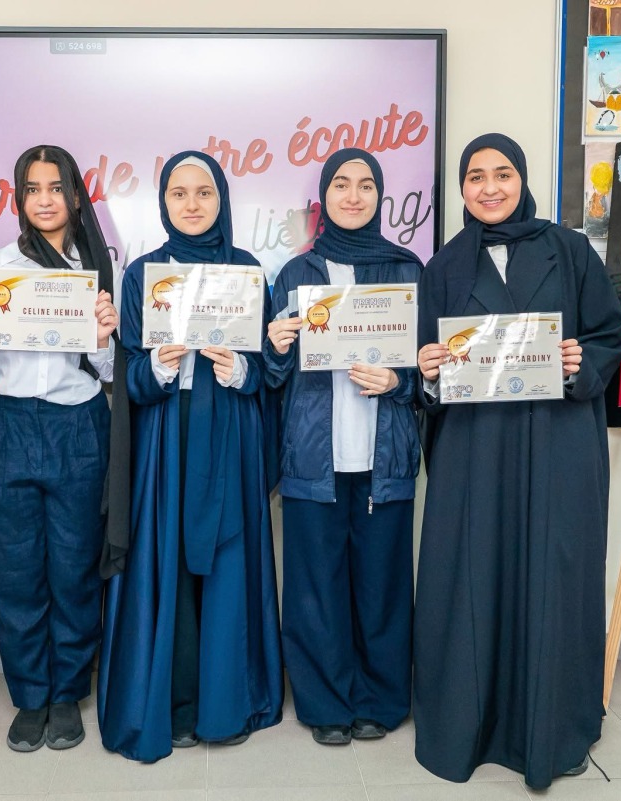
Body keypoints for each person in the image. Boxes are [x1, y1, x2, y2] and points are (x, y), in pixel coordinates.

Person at [412, 133, 621, 790]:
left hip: (556, 444)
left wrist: (579, 362)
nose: (489, 187)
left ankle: (552, 724)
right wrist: (427, 370)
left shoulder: (569, 250)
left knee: (552, 576)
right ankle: (468, 726)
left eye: (501, 174)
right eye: (475, 176)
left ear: (521, 178)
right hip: (474, 454)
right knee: (472, 578)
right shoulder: (443, 265)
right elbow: (427, 361)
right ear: (460, 188)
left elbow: (611, 335)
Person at [97, 151, 282, 762]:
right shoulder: (144, 275)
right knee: (165, 564)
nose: (193, 204)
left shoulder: (248, 269)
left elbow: (269, 366)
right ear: (164, 203)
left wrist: (241, 371)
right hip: (165, 442)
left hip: (228, 435)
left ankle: (224, 704)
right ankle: (171, 704)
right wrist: (155, 365)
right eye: (179, 193)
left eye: (204, 192)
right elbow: (127, 375)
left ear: (222, 198)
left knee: (227, 563)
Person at [0, 145, 121, 753]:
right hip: (5, 424)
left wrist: (106, 333)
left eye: (56, 187)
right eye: (33, 189)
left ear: (76, 195)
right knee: (16, 568)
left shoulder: (100, 269)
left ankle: (67, 695)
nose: (46, 199)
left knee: (75, 567)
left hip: (78, 423)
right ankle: (30, 695)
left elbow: (108, 372)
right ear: (20, 199)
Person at [263, 148, 420, 745]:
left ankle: (379, 702)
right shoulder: (294, 275)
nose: (352, 196)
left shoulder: (407, 269)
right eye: (340, 186)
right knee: (314, 591)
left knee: (381, 588)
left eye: (365, 186)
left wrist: (398, 380)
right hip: (312, 459)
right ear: (322, 197)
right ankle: (326, 706)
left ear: (380, 197)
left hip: (384, 459)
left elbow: (433, 369)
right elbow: (271, 382)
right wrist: (275, 346)